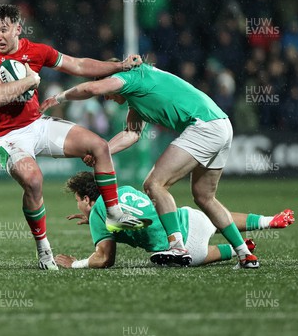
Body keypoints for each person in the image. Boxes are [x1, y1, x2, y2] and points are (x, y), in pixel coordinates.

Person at [0, 4, 148, 270]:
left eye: (4, 30)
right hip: (5, 136)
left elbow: (78, 65)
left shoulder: (36, 51)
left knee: (99, 146)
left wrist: (119, 66)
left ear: (18, 29)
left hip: (36, 124)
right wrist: (30, 81)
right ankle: (44, 250)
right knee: (33, 180)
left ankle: (114, 214)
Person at [40, 61, 260, 269]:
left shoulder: (127, 79)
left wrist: (59, 98)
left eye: (106, 91)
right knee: (204, 197)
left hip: (203, 126)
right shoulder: (136, 97)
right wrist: (102, 150)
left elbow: (90, 89)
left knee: (154, 184)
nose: (106, 98)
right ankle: (245, 255)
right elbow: (131, 133)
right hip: (221, 125)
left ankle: (177, 247)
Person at [56, 172, 294, 268]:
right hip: (191, 218)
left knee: (173, 258)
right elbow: (140, 218)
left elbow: (105, 258)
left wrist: (76, 263)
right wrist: (99, 222)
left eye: (77, 200)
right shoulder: (123, 189)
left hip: (185, 250)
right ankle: (266, 221)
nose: (77, 205)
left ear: (87, 199)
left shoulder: (99, 211)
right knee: (218, 217)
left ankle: (233, 250)